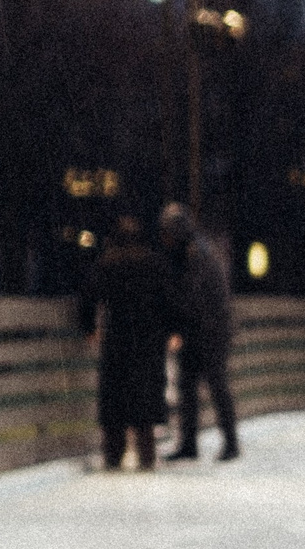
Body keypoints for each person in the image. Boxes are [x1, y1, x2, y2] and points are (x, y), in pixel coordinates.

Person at [77, 214, 168, 472]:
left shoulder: (107, 263)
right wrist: (171, 330)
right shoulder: (153, 263)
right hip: (148, 339)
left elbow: (88, 296)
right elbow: (168, 299)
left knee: (114, 399)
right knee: (145, 399)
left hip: (117, 337)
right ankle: (146, 454)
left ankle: (113, 455)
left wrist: (89, 327)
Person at [158, 202, 239, 461]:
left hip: (209, 331)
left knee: (216, 385)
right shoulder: (191, 251)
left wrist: (176, 325)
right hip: (197, 329)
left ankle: (230, 442)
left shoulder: (196, 254)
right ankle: (190, 443)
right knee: (189, 388)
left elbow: (193, 296)